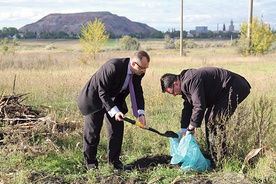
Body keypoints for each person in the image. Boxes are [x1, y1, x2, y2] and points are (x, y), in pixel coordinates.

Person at [160, 67, 251, 163]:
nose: (174, 95)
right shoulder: (185, 81)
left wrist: (191, 127)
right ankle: (214, 154)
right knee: (211, 119)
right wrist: (183, 130)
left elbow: (199, 106)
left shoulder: (190, 80)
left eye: (173, 92)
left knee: (214, 121)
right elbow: (188, 108)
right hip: (223, 92)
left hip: (233, 87)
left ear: (176, 84)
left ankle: (219, 157)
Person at [78, 51, 150, 170]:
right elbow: (102, 92)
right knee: (92, 132)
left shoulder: (138, 72)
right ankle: (90, 164)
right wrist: (114, 111)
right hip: (94, 99)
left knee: (116, 130)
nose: (144, 71)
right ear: (133, 64)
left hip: (114, 99)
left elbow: (137, 91)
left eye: (146, 68)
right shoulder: (113, 67)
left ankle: (114, 162)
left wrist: (140, 113)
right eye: (142, 68)